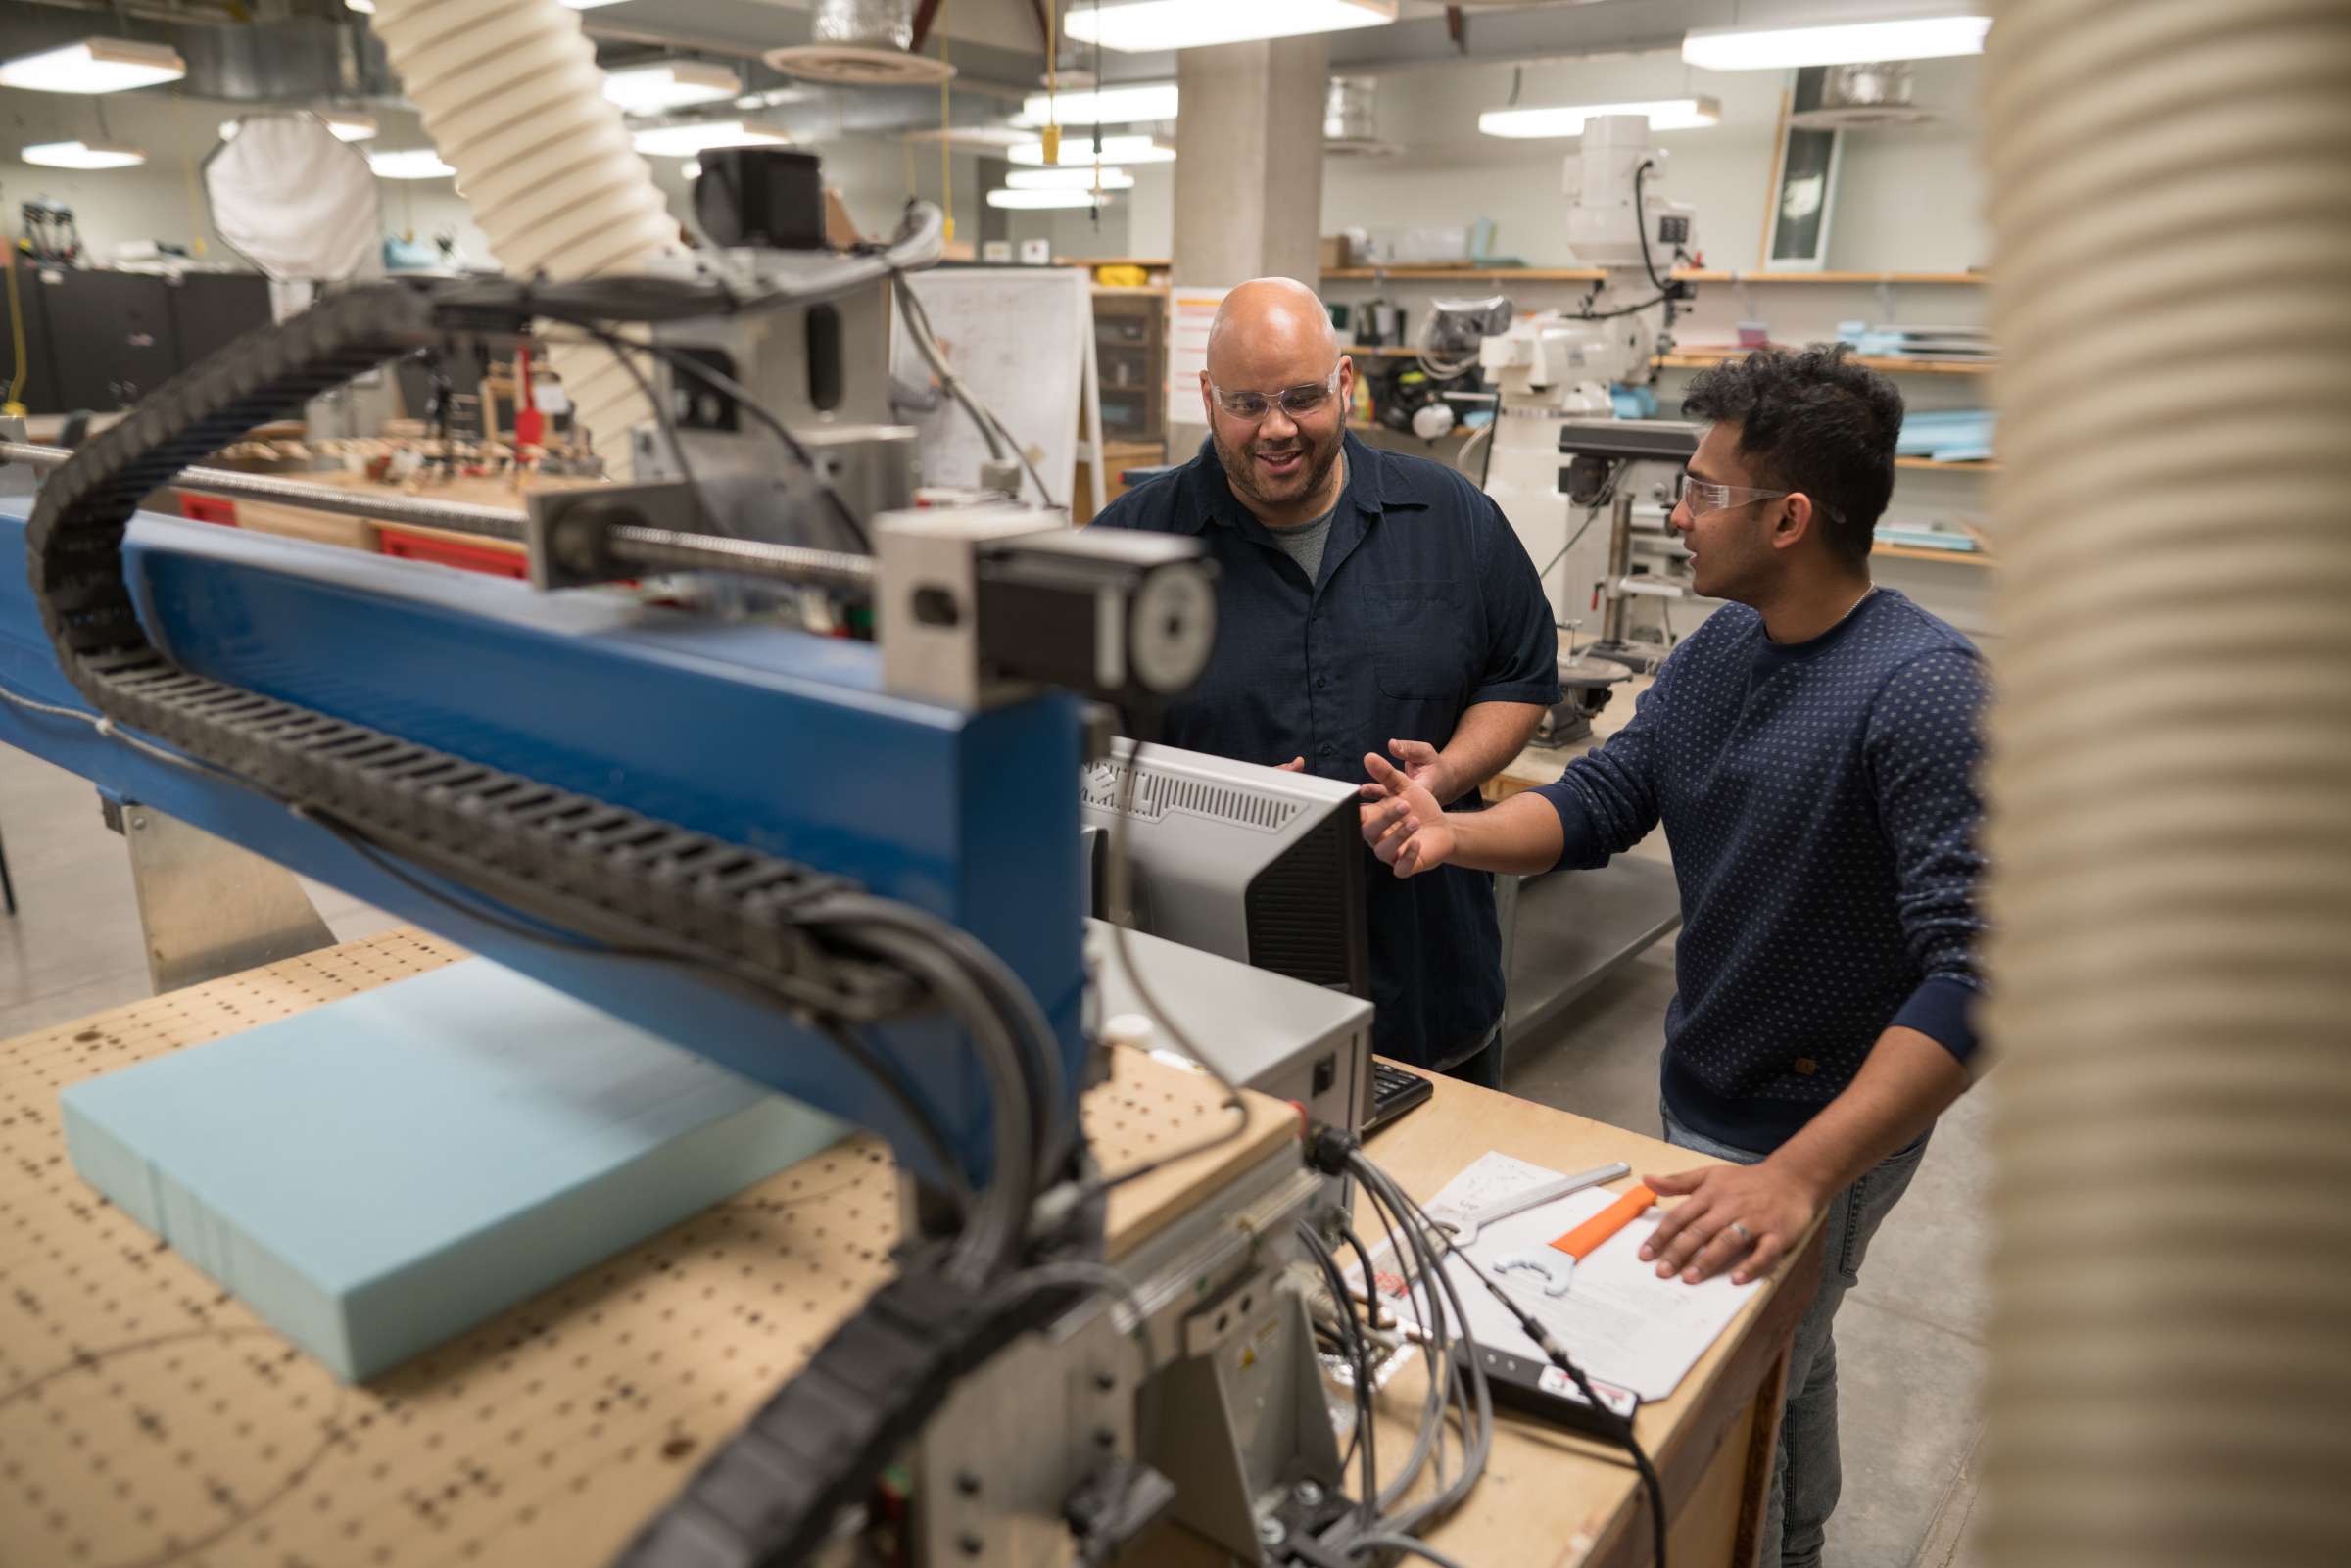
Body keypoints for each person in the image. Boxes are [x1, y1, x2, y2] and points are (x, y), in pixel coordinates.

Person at [1357, 345, 1986, 1566]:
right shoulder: (1720, 650)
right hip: (1708, 1075)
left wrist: (1802, 1174)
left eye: (1700, 490)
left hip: (1821, 1119)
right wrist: (1449, 829)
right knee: (1783, 1344)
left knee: (1748, 1379)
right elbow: (1602, 798)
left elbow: (1974, 978)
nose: (1675, 513)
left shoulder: (1921, 692)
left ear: (1790, 518)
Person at [1094, 277, 1560, 1084]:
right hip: (1210, 1007)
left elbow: (1518, 675)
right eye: (1245, 404)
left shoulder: (1451, 517)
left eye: (1303, 398)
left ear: (1345, 383)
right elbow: (1067, 754)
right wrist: (1200, 811)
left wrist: (1447, 772)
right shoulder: (1129, 547)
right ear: (1207, 398)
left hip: (1428, 989)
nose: (1276, 429)